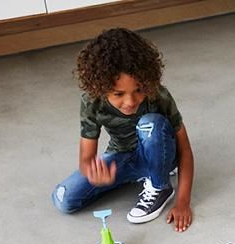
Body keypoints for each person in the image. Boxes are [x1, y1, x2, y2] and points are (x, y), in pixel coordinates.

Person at [52, 28, 194, 232]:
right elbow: (86, 159)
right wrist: (94, 174)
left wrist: (183, 202)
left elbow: (185, 150)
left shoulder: (158, 95)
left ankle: (160, 184)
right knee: (63, 199)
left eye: (139, 90)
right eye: (118, 94)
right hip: (123, 156)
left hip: (161, 150)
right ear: (100, 87)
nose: (130, 101)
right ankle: (140, 173)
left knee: (150, 123)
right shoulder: (92, 102)